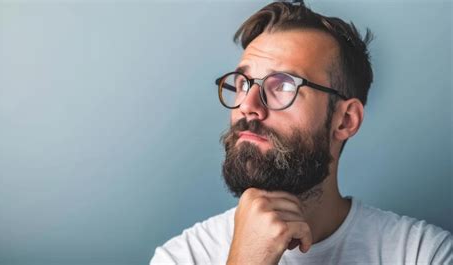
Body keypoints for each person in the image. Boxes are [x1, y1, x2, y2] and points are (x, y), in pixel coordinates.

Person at [150, 1, 452, 264]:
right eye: (243, 84)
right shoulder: (183, 257)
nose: (248, 106)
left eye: (283, 85)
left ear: (345, 120)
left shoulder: (422, 254)